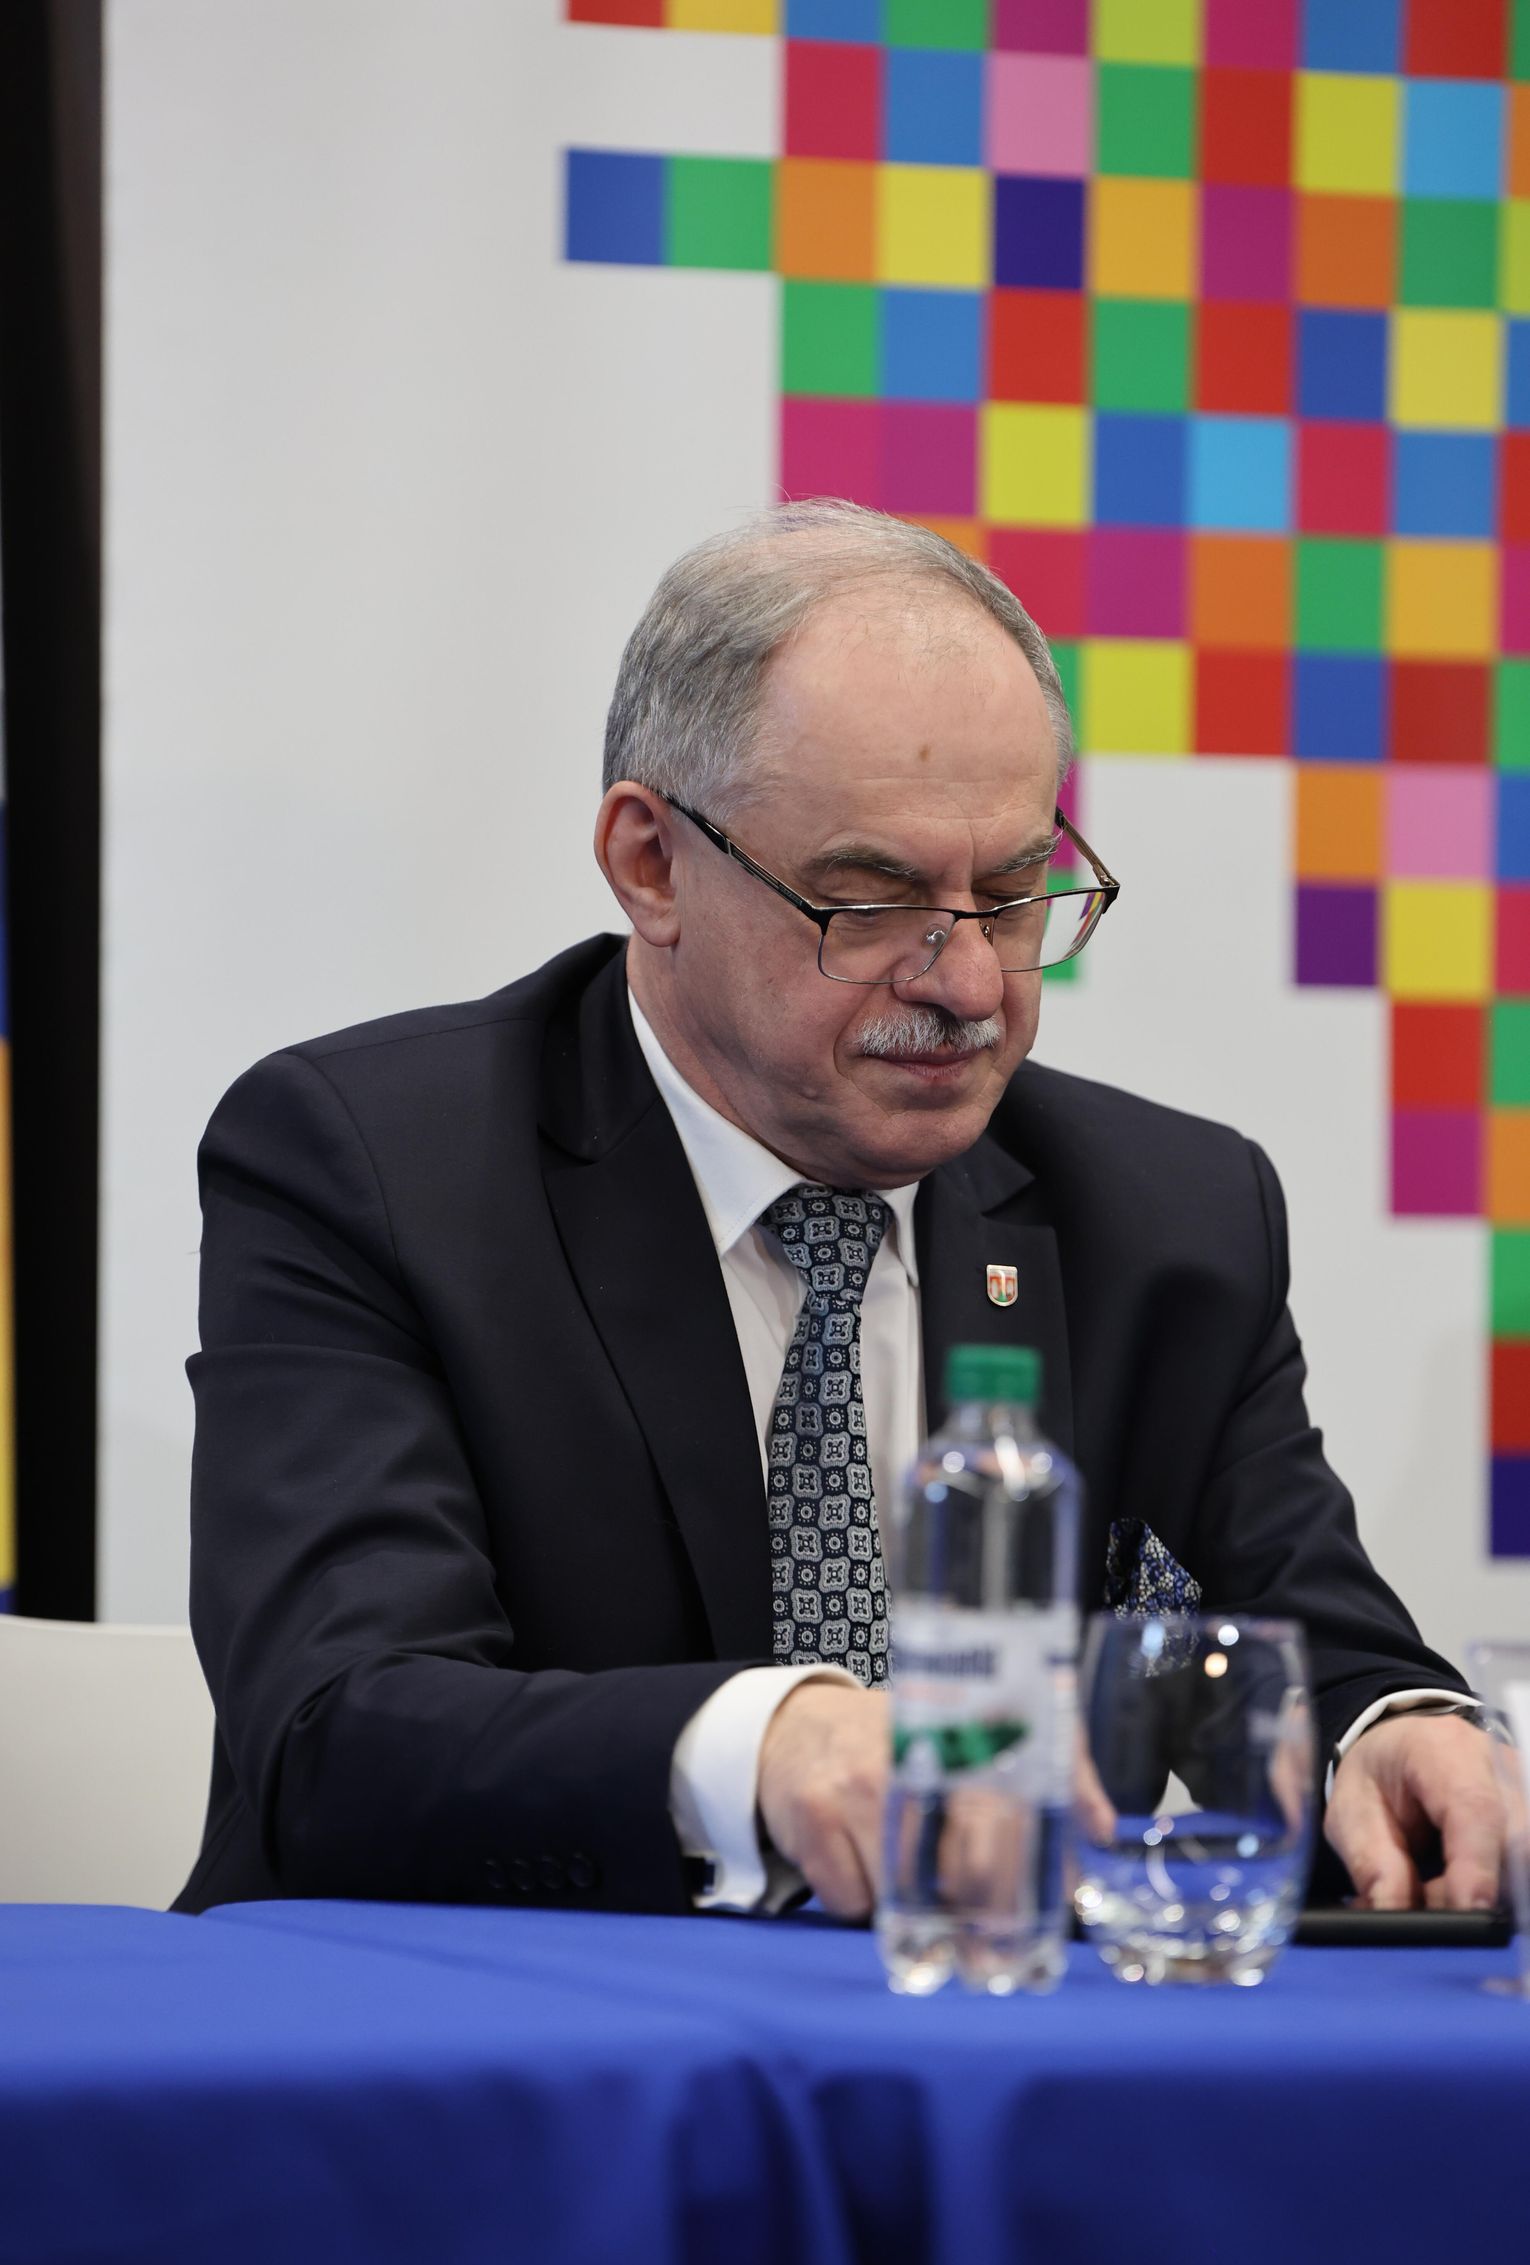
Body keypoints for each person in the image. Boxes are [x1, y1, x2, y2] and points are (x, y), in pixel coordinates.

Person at [176, 500, 1502, 1923]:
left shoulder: (1170, 1218)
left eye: (1012, 894)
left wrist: (1395, 1737)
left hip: (986, 2025)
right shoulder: (378, 1166)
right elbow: (337, 1728)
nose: (969, 985)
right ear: (650, 862)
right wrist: (764, 1745)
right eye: (868, 902)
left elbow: (1304, 1643)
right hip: (484, 2020)